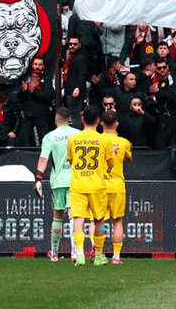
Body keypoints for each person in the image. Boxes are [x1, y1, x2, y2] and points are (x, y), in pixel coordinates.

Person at [66, 105, 114, 266]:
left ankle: (79, 254)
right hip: (97, 185)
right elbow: (111, 163)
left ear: (82, 119)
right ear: (99, 121)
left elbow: (71, 160)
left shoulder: (73, 139)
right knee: (99, 220)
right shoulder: (104, 140)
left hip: (78, 184)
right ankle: (99, 256)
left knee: (78, 219)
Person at [35, 108, 79, 262]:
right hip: (76, 180)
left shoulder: (50, 137)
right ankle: (75, 252)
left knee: (58, 216)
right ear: (70, 119)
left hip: (58, 181)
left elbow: (43, 159)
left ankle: (54, 253)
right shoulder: (78, 134)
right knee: (74, 215)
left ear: (56, 119)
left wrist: (38, 177)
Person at [101, 109, 132, 265]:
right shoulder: (124, 142)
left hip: (100, 185)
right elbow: (129, 158)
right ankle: (116, 256)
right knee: (117, 221)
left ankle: (97, 252)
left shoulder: (97, 140)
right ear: (117, 124)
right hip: (117, 185)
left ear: (101, 123)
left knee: (98, 221)